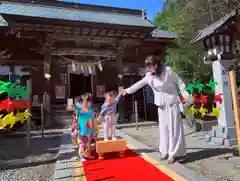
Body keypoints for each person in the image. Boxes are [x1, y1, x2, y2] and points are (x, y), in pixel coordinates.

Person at [122, 55, 190, 164]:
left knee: (174, 129)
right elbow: (139, 84)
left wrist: (185, 94)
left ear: (156, 65)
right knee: (163, 129)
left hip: (172, 103)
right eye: (147, 66)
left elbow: (180, 82)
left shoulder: (168, 71)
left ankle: (174, 153)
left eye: (149, 66)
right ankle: (164, 151)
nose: (148, 68)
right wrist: (127, 90)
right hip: (161, 105)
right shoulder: (149, 76)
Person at [75, 93, 95, 161]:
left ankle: (88, 155)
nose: (88, 103)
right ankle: (82, 156)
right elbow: (76, 118)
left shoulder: (90, 109)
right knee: (82, 143)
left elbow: (92, 119)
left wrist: (93, 130)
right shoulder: (80, 109)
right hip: (82, 129)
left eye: (89, 102)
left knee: (88, 143)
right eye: (86, 101)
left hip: (89, 129)